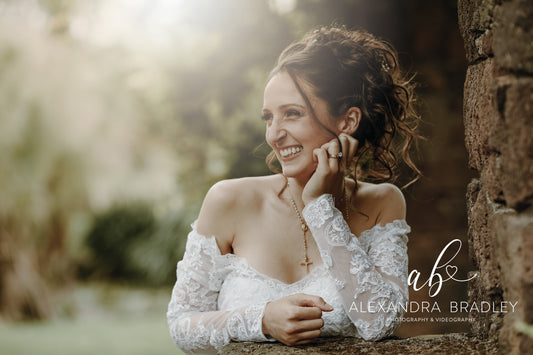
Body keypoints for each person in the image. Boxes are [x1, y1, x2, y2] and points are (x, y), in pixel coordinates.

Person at [167, 25, 421, 354]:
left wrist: (320, 208)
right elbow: (182, 323)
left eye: (292, 114)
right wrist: (262, 320)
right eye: (268, 117)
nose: (274, 134)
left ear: (348, 122)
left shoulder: (383, 203)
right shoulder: (228, 200)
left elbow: (380, 322)